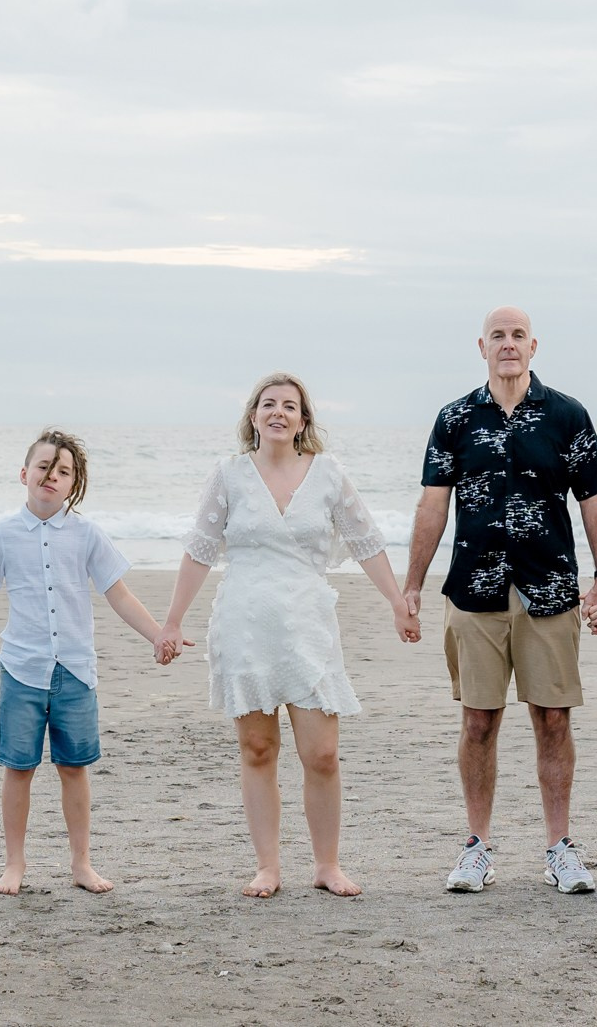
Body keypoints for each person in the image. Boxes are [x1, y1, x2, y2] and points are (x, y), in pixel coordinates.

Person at [155, 373, 420, 899]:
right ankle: (268, 866)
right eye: (268, 404)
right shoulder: (229, 474)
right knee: (257, 748)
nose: (279, 412)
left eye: (290, 406)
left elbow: (366, 541)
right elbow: (200, 550)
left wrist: (397, 601)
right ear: (253, 416)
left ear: (303, 421)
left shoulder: (327, 474)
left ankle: (327, 864)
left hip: (307, 625)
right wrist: (172, 620)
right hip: (244, 624)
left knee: (320, 752)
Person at [403, 306, 597, 895]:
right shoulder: (454, 418)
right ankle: (477, 846)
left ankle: (560, 848)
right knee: (478, 720)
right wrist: (411, 585)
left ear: (533, 346)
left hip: (548, 585)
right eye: (497, 336)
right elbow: (433, 505)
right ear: (481, 347)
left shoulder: (567, 415)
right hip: (474, 588)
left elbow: (594, 499)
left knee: (552, 718)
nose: (507, 345)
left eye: (517, 336)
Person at [0, 430, 169, 895]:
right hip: (22, 668)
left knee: (74, 768)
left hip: (75, 669)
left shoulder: (87, 534)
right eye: (43, 467)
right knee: (18, 768)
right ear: (24, 474)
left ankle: (81, 863)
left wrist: (158, 634)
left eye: (63, 472)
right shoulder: (1, 534)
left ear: (73, 484)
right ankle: (14, 864)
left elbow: (118, 593)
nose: (50, 477)